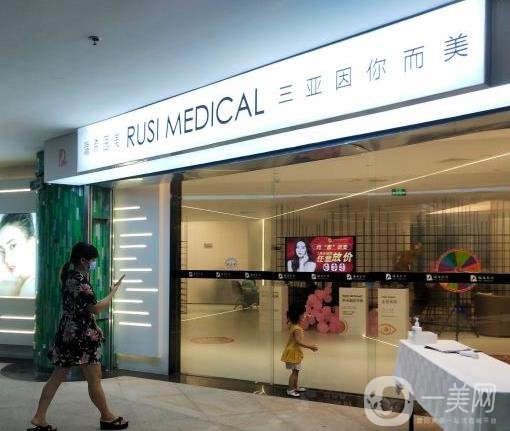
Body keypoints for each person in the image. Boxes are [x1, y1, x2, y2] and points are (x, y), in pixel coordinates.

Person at [29, 242, 128, 431]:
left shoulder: (69, 276)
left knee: (57, 376)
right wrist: (113, 293)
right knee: (94, 378)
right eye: (93, 260)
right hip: (82, 337)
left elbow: (81, 308)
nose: (94, 263)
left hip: (68, 333)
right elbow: (95, 308)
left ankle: (39, 417)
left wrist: (94, 324)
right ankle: (107, 417)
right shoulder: (80, 281)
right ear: (83, 260)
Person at [280, 302, 318, 397]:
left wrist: (306, 316)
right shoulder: (297, 329)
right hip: (293, 352)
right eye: (303, 314)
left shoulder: (292, 324)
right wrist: (310, 347)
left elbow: (295, 317)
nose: (305, 315)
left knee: (296, 371)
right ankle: (290, 389)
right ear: (298, 315)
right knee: (294, 372)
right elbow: (298, 342)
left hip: (294, 351)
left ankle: (295, 387)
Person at [0, 213, 36, 297]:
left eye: (13, 246)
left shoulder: (34, 290)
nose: (6, 260)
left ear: (32, 244)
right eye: (2, 250)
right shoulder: (7, 287)